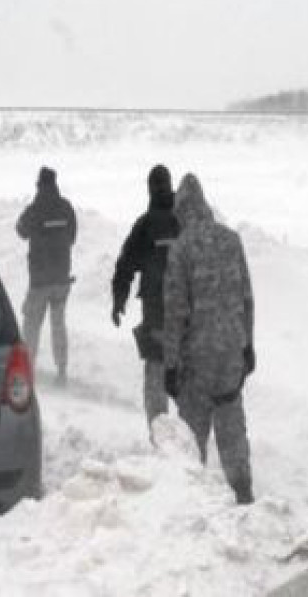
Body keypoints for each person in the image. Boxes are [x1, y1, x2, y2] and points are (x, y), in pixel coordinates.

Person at [162, 173, 255, 505]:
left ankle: (195, 503)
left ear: (182, 212)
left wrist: (170, 366)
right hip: (231, 355)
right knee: (232, 429)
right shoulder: (232, 240)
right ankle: (243, 492)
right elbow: (247, 299)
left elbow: (175, 313)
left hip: (196, 364)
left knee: (192, 437)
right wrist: (248, 346)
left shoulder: (180, 249)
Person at [111, 164, 180, 431]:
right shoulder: (183, 220)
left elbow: (125, 265)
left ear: (150, 189)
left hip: (156, 317)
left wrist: (119, 300)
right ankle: (192, 443)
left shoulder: (145, 225)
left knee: (156, 377)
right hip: (187, 318)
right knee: (186, 381)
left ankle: (161, 439)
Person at [16, 166, 77, 384]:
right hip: (61, 279)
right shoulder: (66, 207)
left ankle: (26, 369)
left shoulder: (35, 209)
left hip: (40, 280)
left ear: (39, 184)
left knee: (32, 324)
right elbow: (72, 237)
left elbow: (20, 230)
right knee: (58, 325)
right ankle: (61, 370)